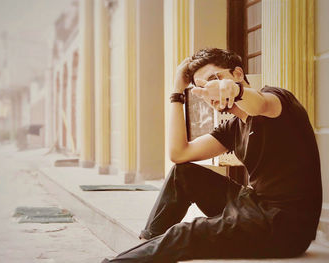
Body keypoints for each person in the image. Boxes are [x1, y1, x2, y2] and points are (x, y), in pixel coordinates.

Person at [101, 48, 322, 263]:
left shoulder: (275, 101)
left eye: (215, 79)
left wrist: (236, 91)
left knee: (185, 233)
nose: (211, 91)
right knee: (183, 174)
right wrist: (177, 93)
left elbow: (259, 105)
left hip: (285, 227)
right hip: (254, 205)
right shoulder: (233, 128)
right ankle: (144, 245)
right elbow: (179, 154)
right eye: (203, 87)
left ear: (237, 74)